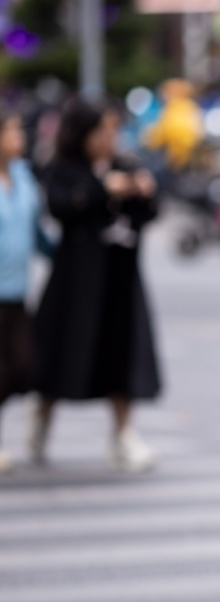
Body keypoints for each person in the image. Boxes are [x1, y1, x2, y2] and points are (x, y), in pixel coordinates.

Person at [31, 97, 162, 472]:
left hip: (118, 277)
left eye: (112, 130)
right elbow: (62, 208)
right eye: (100, 131)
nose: (108, 139)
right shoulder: (65, 169)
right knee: (61, 357)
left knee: (121, 355)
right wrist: (105, 189)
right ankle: (41, 420)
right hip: (76, 282)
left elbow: (150, 213)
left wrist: (141, 191)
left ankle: (123, 435)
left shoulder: (125, 165)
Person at [0, 109, 45, 472]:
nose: (20, 137)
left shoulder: (23, 175)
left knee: (22, 367)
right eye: (13, 130)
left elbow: (36, 229)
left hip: (17, 291)